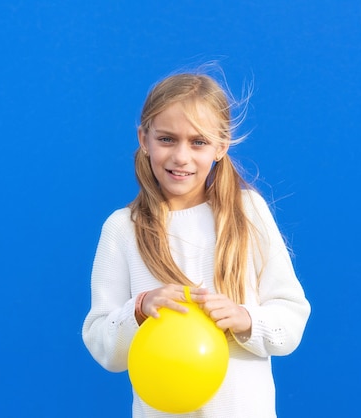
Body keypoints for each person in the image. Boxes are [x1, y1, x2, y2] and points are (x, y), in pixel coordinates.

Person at [82, 69, 311, 417]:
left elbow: (292, 316)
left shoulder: (248, 212)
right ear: (144, 139)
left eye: (198, 142)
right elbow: (102, 344)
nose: (181, 157)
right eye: (167, 139)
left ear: (221, 145)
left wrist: (245, 318)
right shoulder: (121, 229)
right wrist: (140, 308)